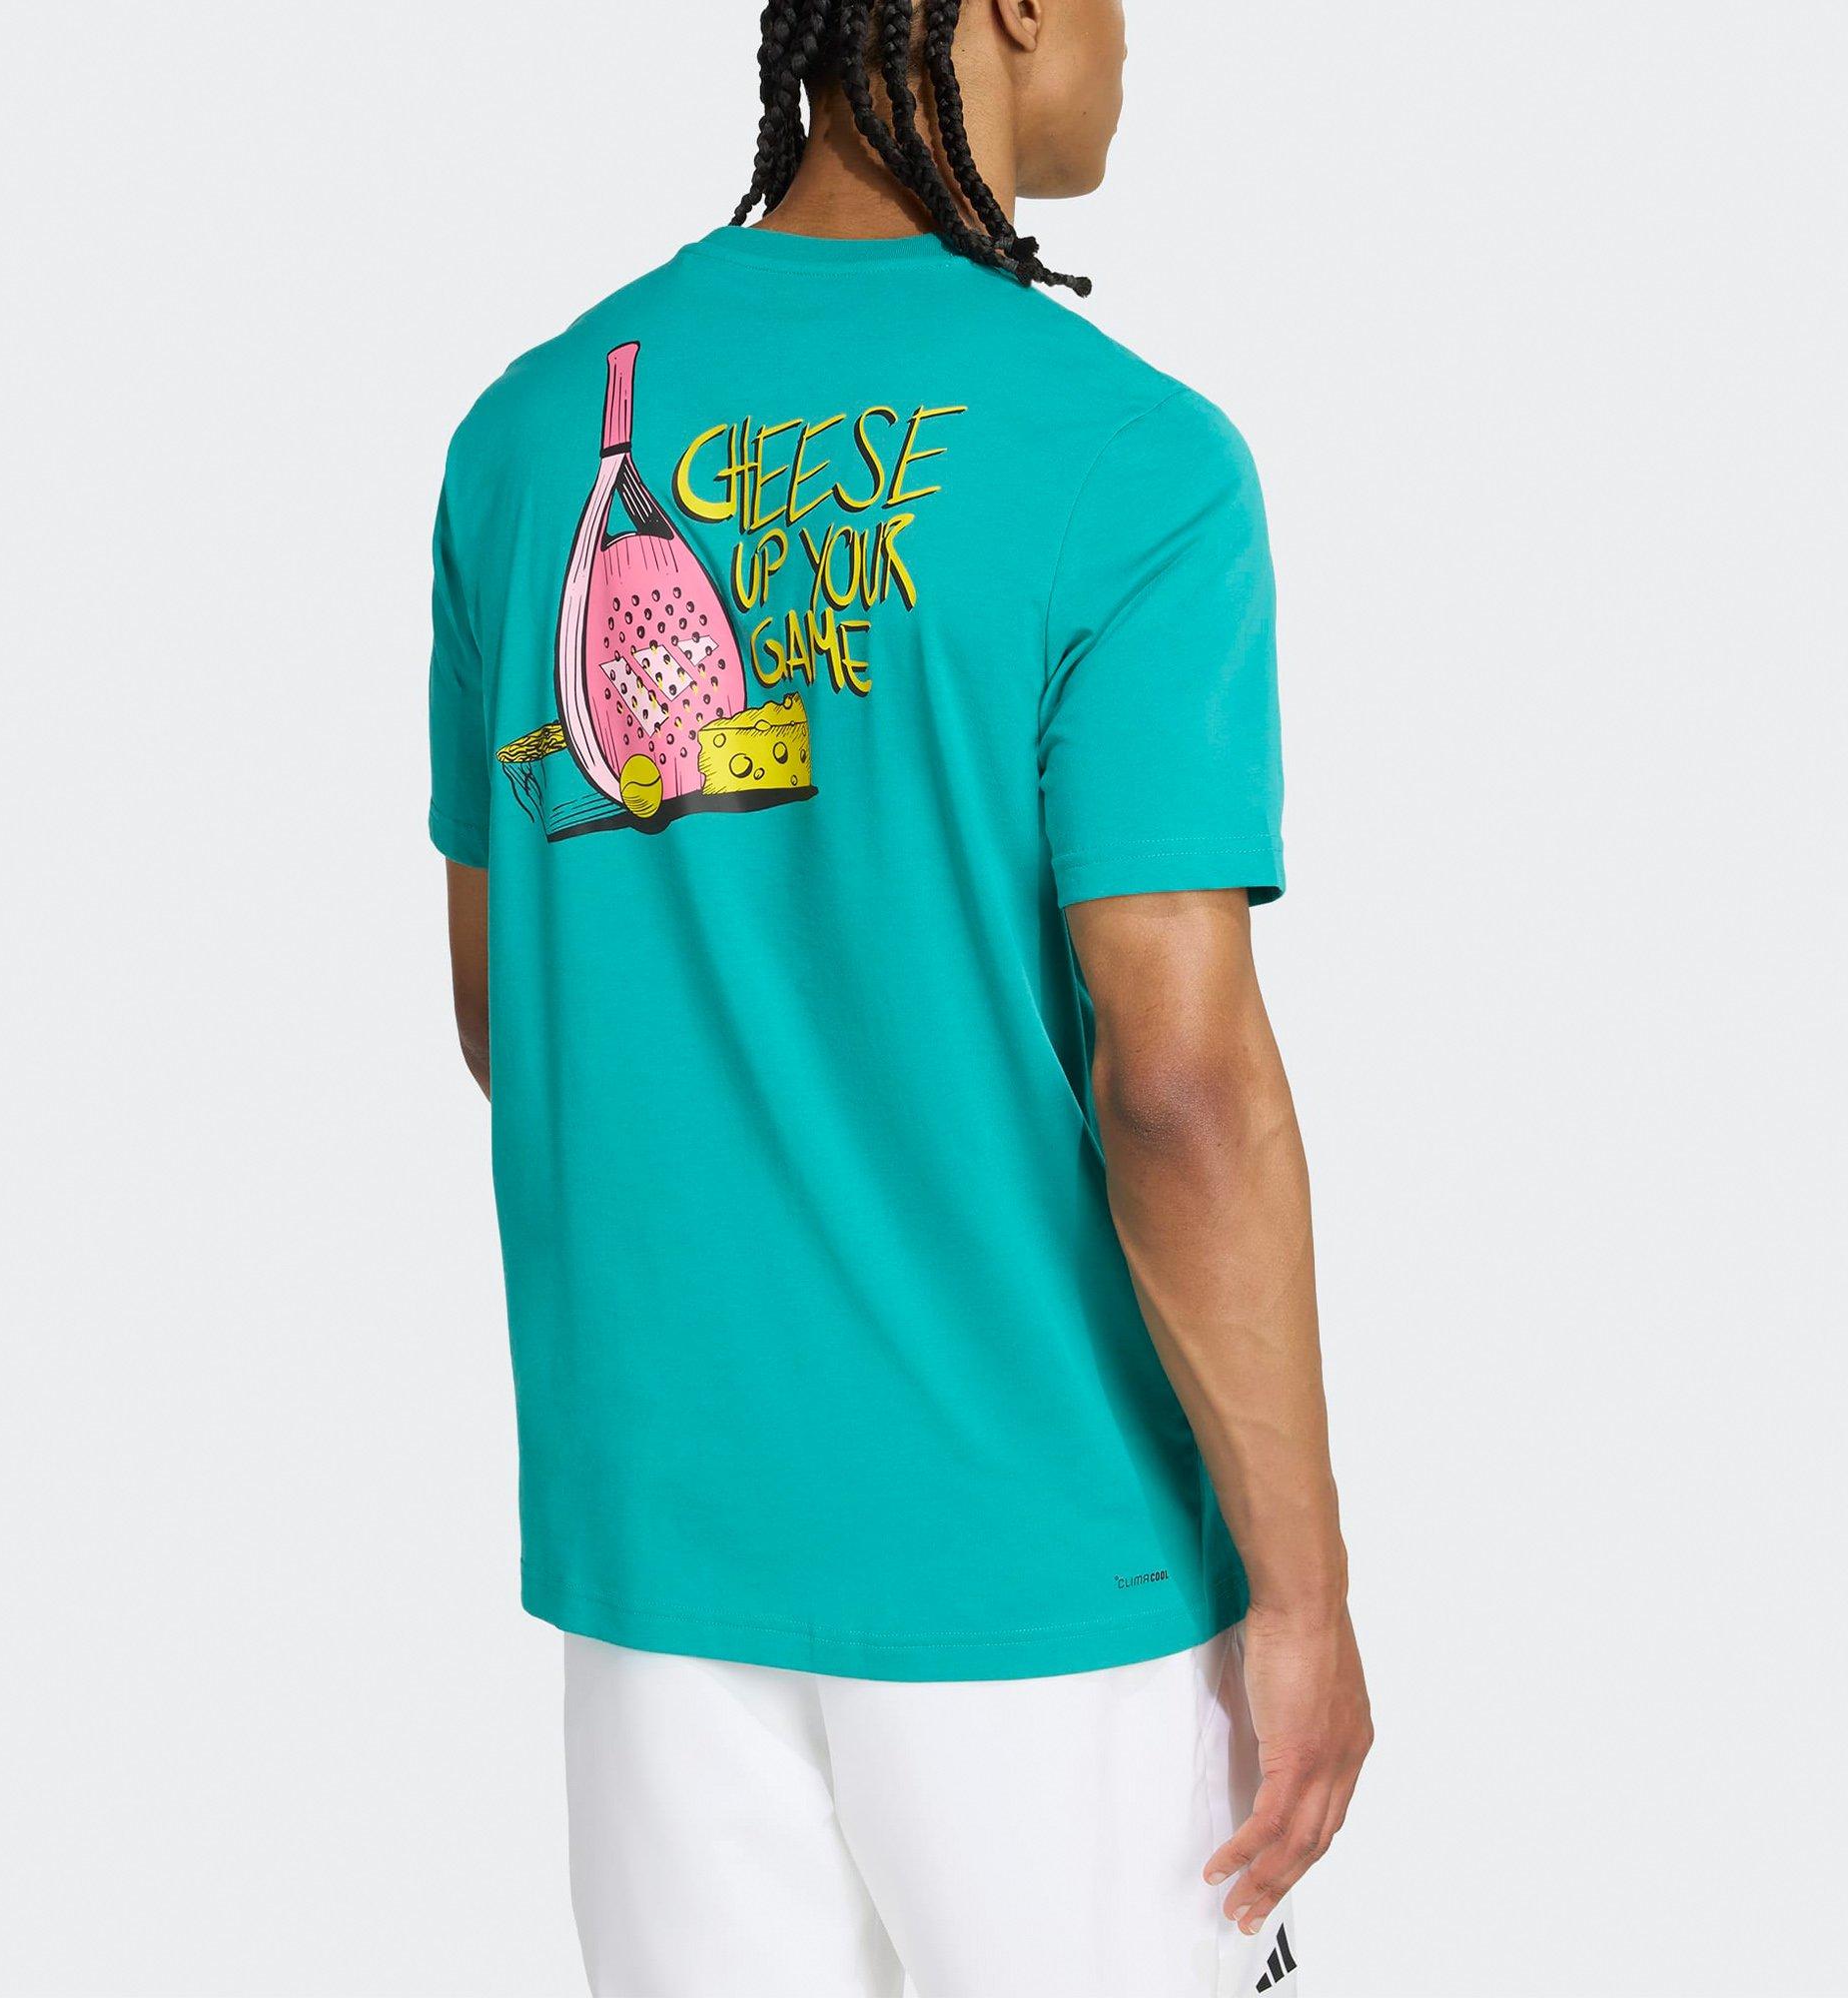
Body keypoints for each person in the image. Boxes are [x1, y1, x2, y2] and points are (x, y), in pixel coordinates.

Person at [427, 2, 1371, 1991]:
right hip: (1047, 1573)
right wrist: (1302, 1592)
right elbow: (1180, 1085)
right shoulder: (1130, 462)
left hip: (659, 1564)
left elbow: (516, 1016)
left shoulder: (520, 438)